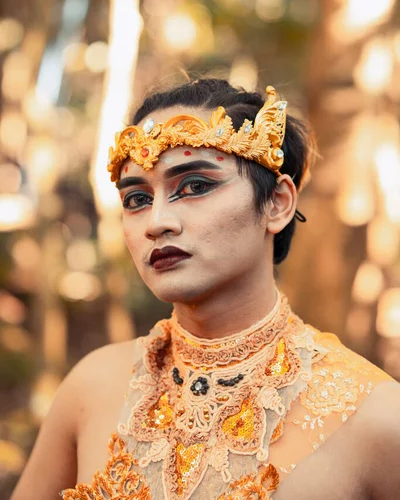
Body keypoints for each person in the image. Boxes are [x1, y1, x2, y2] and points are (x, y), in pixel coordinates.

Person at [11, 78, 400, 500]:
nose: (157, 222)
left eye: (195, 186)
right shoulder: (91, 388)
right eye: (137, 199)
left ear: (277, 203)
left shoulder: (375, 417)